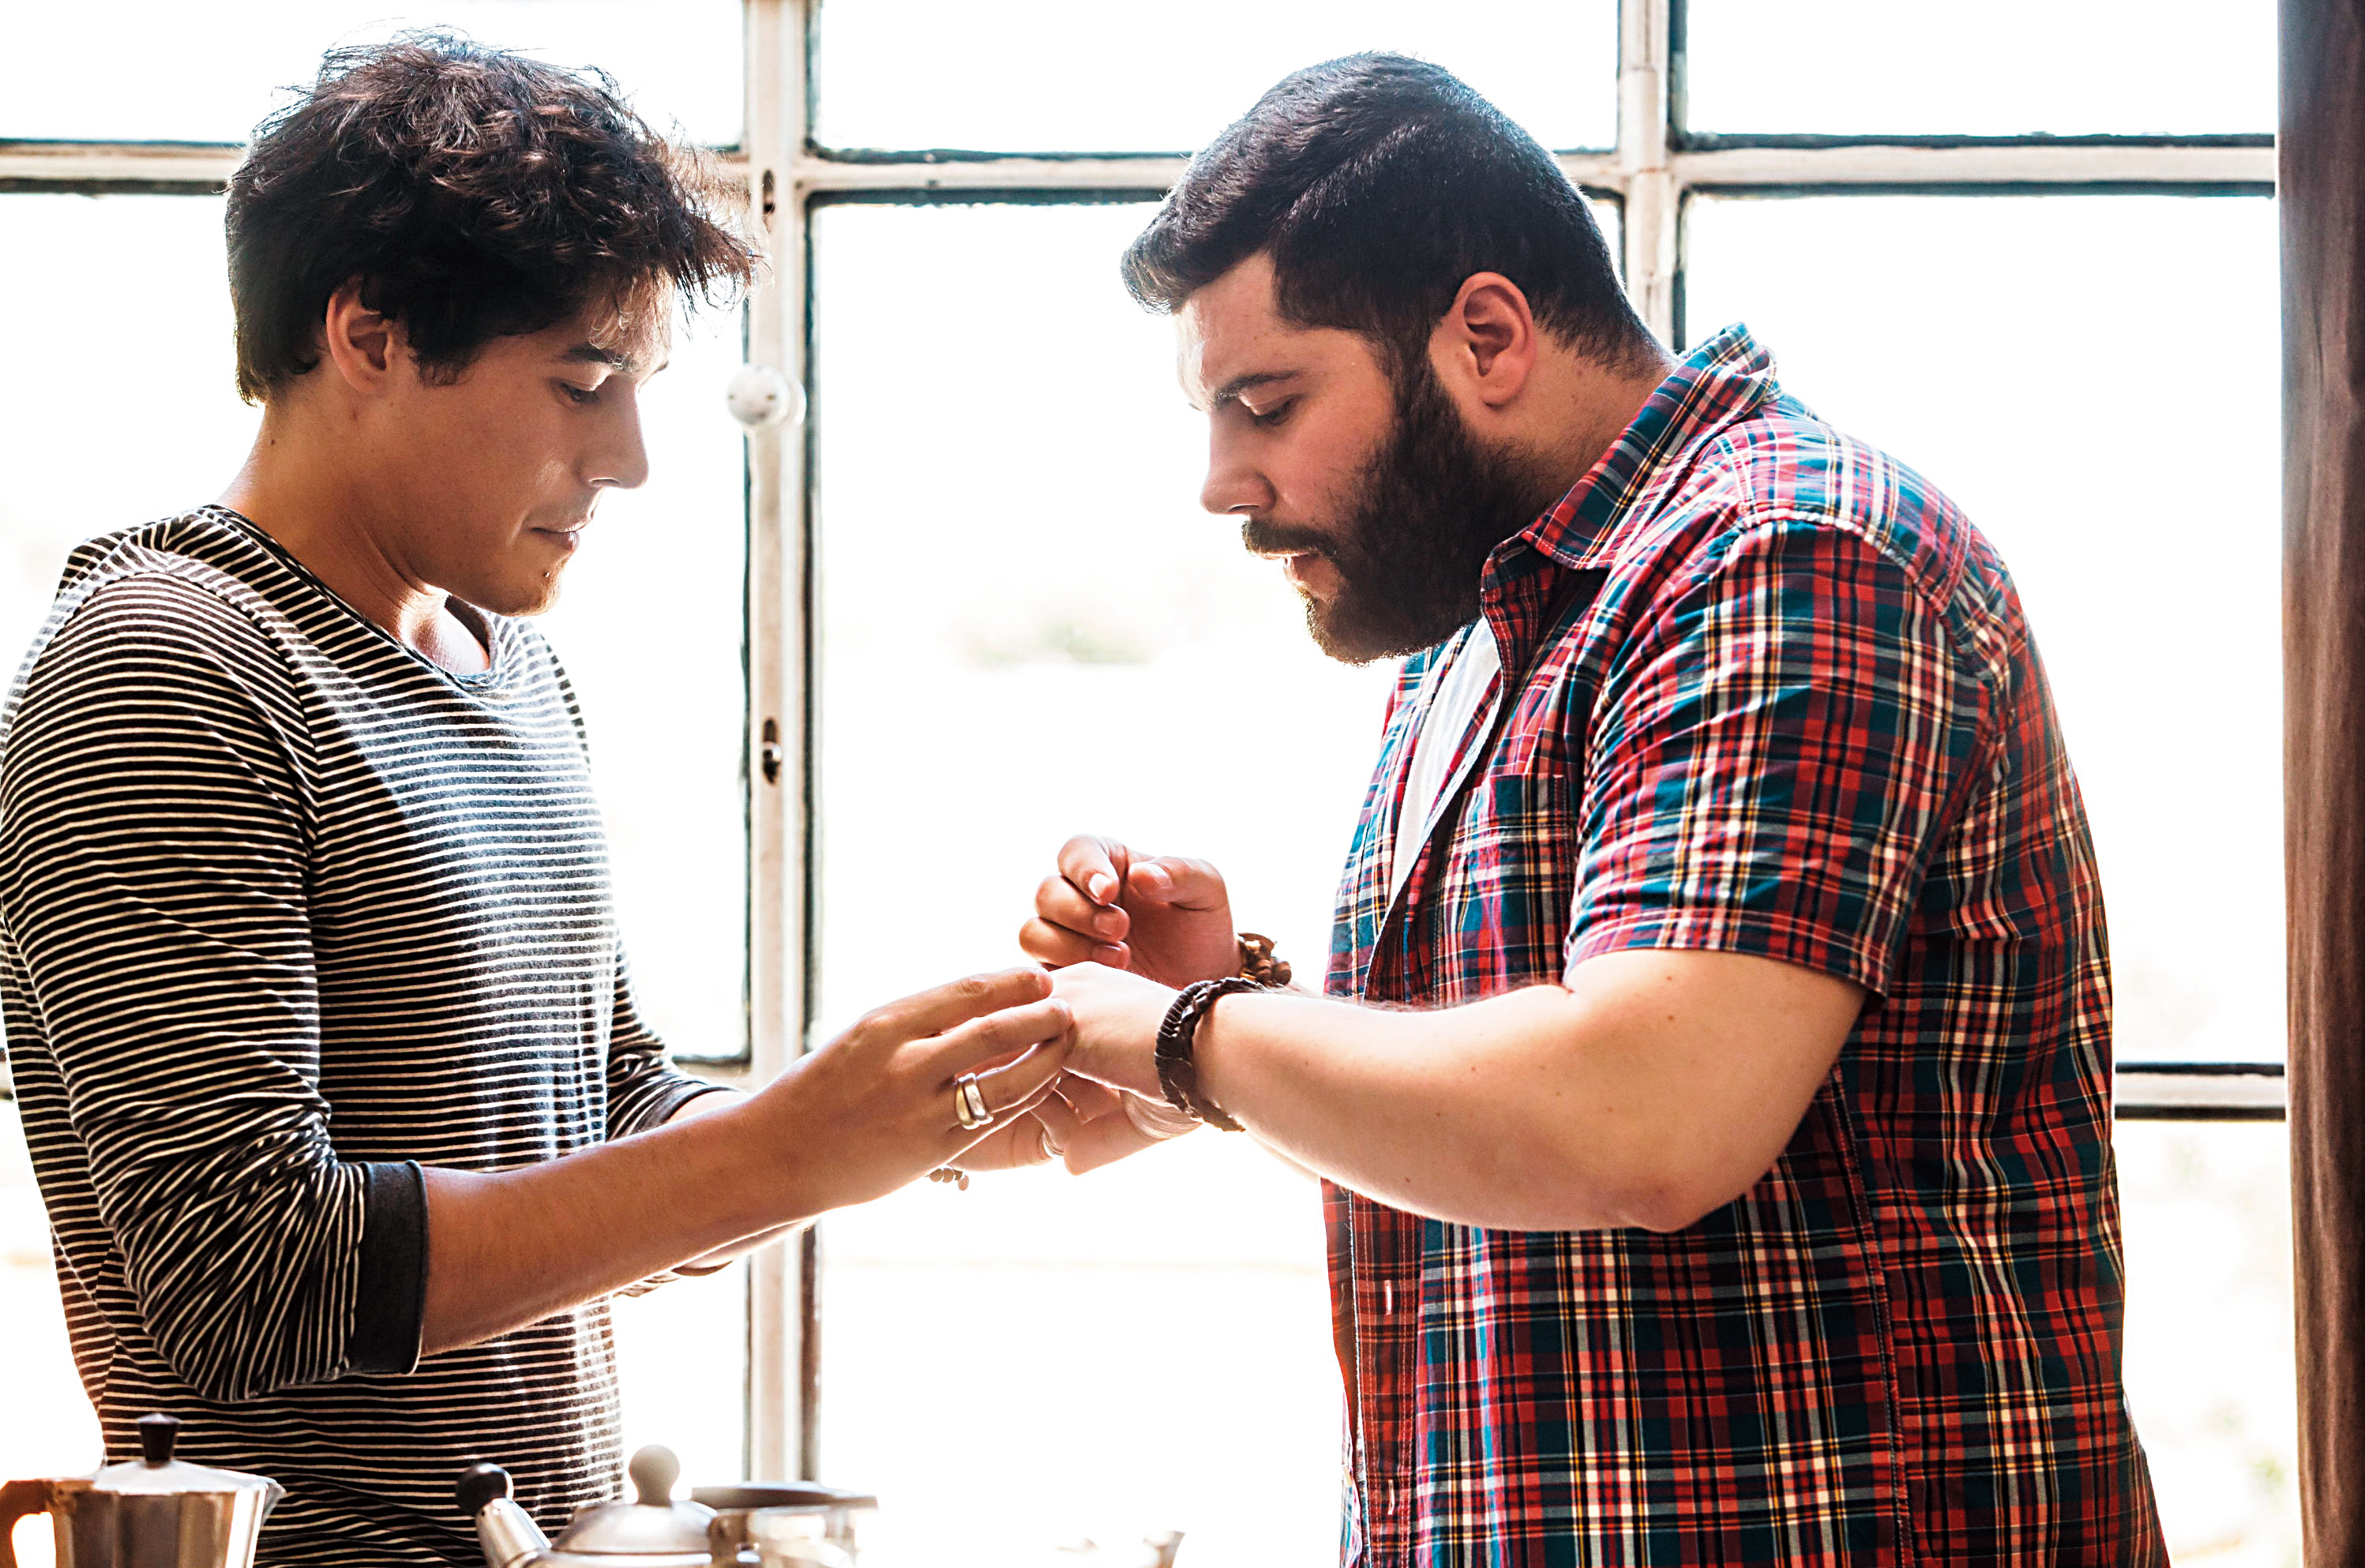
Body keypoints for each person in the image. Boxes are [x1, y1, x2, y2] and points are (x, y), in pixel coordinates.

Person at [1020, 54, 2167, 1565]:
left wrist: (1168, 1036)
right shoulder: (1476, 635)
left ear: (1486, 335)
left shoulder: (1788, 556)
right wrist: (1234, 1011)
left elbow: (1638, 1119)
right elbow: (1507, 1134)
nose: (1223, 483)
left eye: (1266, 402)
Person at [0, 38, 1072, 1566]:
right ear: (367, 338)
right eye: (583, 382)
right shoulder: (171, 663)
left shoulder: (505, 667)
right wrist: (788, 1150)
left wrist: (963, 1112)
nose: (628, 458)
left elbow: (614, 1120)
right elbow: (247, 1273)